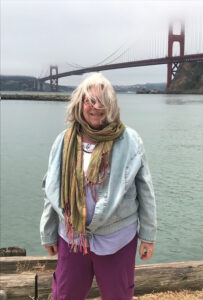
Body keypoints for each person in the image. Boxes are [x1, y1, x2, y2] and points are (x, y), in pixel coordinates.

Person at [40, 72, 157, 300]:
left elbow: (146, 191)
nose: (95, 108)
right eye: (89, 101)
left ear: (111, 104)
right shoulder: (64, 140)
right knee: (65, 294)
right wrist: (48, 232)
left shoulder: (130, 140)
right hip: (72, 237)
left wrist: (148, 236)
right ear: (80, 104)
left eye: (102, 102)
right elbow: (51, 189)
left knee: (118, 295)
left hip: (117, 237)